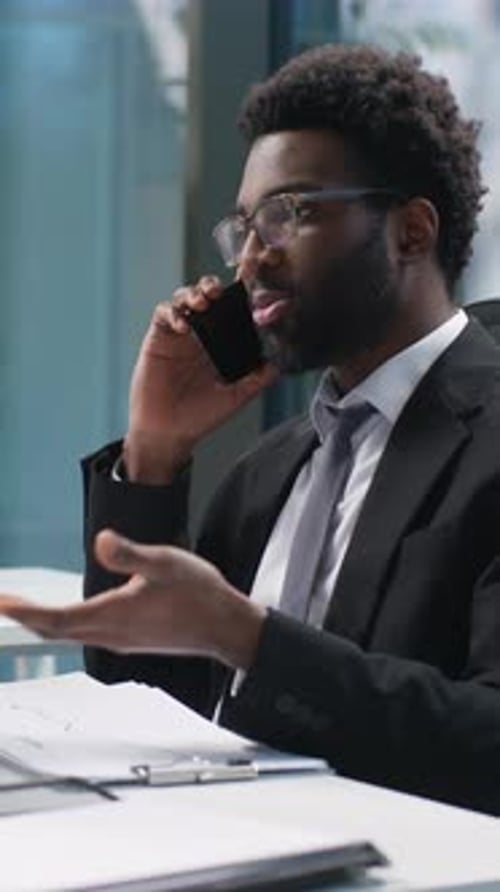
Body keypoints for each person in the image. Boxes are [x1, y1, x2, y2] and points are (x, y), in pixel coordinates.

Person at [2, 43, 500, 815]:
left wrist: (252, 639)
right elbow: (144, 703)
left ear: (411, 231)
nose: (251, 261)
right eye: (243, 227)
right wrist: (155, 453)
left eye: (289, 213)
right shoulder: (270, 473)